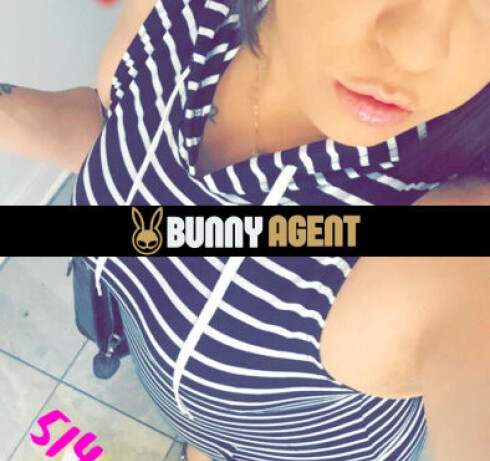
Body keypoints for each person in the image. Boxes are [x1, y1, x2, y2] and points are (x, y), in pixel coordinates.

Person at [2, 0, 489, 460]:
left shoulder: (445, 237)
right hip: (202, 422)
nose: (417, 50)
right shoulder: (187, 15)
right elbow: (125, 135)